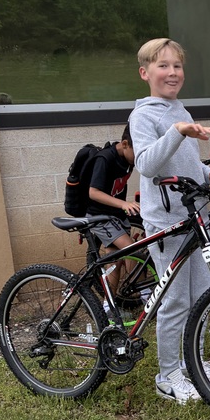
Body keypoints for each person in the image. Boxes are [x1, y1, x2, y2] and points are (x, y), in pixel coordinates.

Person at [129, 37, 210, 404]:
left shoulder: (179, 110)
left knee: (202, 295)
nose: (172, 72)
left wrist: (207, 174)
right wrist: (177, 132)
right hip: (166, 221)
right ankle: (167, 375)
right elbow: (147, 164)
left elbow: (183, 163)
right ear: (145, 73)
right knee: (176, 301)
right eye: (163, 65)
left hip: (194, 219)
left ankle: (193, 362)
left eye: (177, 66)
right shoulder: (144, 115)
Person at [86, 124, 138, 299]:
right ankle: (146, 295)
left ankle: (109, 307)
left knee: (114, 259)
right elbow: (93, 192)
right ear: (125, 144)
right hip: (100, 216)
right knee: (133, 250)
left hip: (116, 215)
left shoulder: (127, 160)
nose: (139, 158)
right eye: (137, 152)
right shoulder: (105, 159)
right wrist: (123, 204)